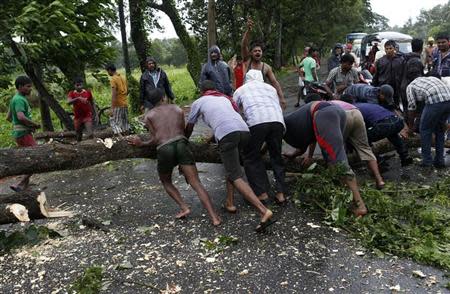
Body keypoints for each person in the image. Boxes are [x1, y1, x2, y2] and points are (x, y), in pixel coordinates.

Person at [185, 80, 273, 232]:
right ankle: (230, 202)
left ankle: (263, 211)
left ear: (201, 91)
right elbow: (229, 119)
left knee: (235, 175)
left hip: (228, 135)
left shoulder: (199, 102)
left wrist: (184, 141)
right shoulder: (224, 98)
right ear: (214, 89)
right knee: (232, 169)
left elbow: (190, 125)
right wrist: (210, 139)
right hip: (244, 132)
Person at [127, 89, 221, 226]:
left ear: (151, 102)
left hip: (164, 148)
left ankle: (184, 207)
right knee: (196, 183)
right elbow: (183, 131)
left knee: (166, 181)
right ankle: (214, 217)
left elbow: (155, 140)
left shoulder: (149, 116)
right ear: (164, 97)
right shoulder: (177, 109)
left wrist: (141, 143)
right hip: (182, 144)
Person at [283, 101, 368, 217]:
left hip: (324, 114)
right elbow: (310, 139)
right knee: (332, 160)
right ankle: (344, 195)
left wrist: (260, 151)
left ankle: (360, 206)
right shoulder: (296, 125)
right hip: (337, 111)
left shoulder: (282, 124)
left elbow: (271, 138)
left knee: (339, 160)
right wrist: (299, 155)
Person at [304, 94, 385, 189]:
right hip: (356, 112)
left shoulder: (318, 109)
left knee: (336, 151)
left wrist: (309, 156)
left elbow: (315, 136)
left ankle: (345, 185)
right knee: (364, 148)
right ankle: (379, 180)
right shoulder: (332, 102)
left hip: (342, 115)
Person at [233, 70, 286, 203]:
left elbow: (234, 110)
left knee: (250, 157)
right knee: (276, 156)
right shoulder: (271, 88)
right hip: (278, 122)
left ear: (247, 79)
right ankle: (281, 194)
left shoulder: (240, 90)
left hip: (257, 123)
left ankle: (261, 193)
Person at [340, 96, 413, 167]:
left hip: (384, 124)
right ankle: (405, 156)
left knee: (363, 140)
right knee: (392, 134)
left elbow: (360, 128)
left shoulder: (352, 110)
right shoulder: (365, 104)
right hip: (397, 121)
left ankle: (379, 162)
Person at [241, 18, 286, 109]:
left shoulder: (266, 67)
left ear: (262, 53)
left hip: (262, 98)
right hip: (248, 98)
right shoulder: (247, 62)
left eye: (259, 51)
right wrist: (248, 31)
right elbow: (244, 45)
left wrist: (281, 98)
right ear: (250, 53)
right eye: (255, 51)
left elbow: (274, 82)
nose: (257, 52)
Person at [406, 76, 450, 168]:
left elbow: (411, 108)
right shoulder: (428, 80)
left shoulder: (410, 87)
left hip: (435, 101)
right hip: (448, 100)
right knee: (440, 130)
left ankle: (427, 162)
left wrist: (411, 128)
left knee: (425, 130)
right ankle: (439, 161)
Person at [7, 76, 40, 192]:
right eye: (28, 86)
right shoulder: (20, 100)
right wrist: (33, 125)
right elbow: (21, 117)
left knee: (29, 159)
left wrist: (20, 127)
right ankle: (19, 184)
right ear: (20, 87)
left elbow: (8, 117)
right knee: (37, 158)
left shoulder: (14, 99)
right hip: (24, 134)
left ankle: (24, 188)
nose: (30, 89)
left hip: (20, 133)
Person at [372, 40, 405, 111]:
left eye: (390, 48)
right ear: (384, 49)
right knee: (382, 108)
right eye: (387, 49)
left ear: (394, 49)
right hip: (383, 89)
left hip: (396, 89)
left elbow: (403, 75)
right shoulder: (380, 61)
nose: (388, 50)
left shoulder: (401, 60)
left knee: (395, 108)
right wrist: (374, 87)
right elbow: (376, 76)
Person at [400, 38, 424, 117]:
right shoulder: (415, 61)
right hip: (411, 91)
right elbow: (416, 79)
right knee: (413, 113)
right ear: (421, 48)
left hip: (404, 88)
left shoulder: (405, 58)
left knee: (407, 111)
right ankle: (411, 128)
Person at [106, 64, 129, 135]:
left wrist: (112, 109)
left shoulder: (113, 79)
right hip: (125, 103)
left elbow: (114, 94)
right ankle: (127, 139)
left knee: (114, 122)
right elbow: (127, 90)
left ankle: (121, 140)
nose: (108, 73)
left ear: (109, 70)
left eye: (107, 71)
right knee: (124, 124)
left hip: (118, 104)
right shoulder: (122, 77)